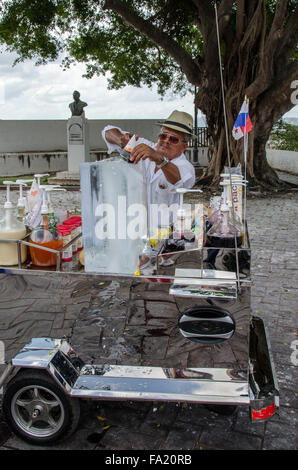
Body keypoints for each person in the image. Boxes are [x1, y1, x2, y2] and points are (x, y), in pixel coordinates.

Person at [101, 110, 196, 213]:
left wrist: (159, 159)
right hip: (135, 224)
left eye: (173, 139)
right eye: (163, 136)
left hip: (165, 227)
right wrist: (122, 141)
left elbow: (178, 179)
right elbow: (107, 131)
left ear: (184, 146)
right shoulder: (144, 146)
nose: (166, 141)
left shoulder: (186, 167)